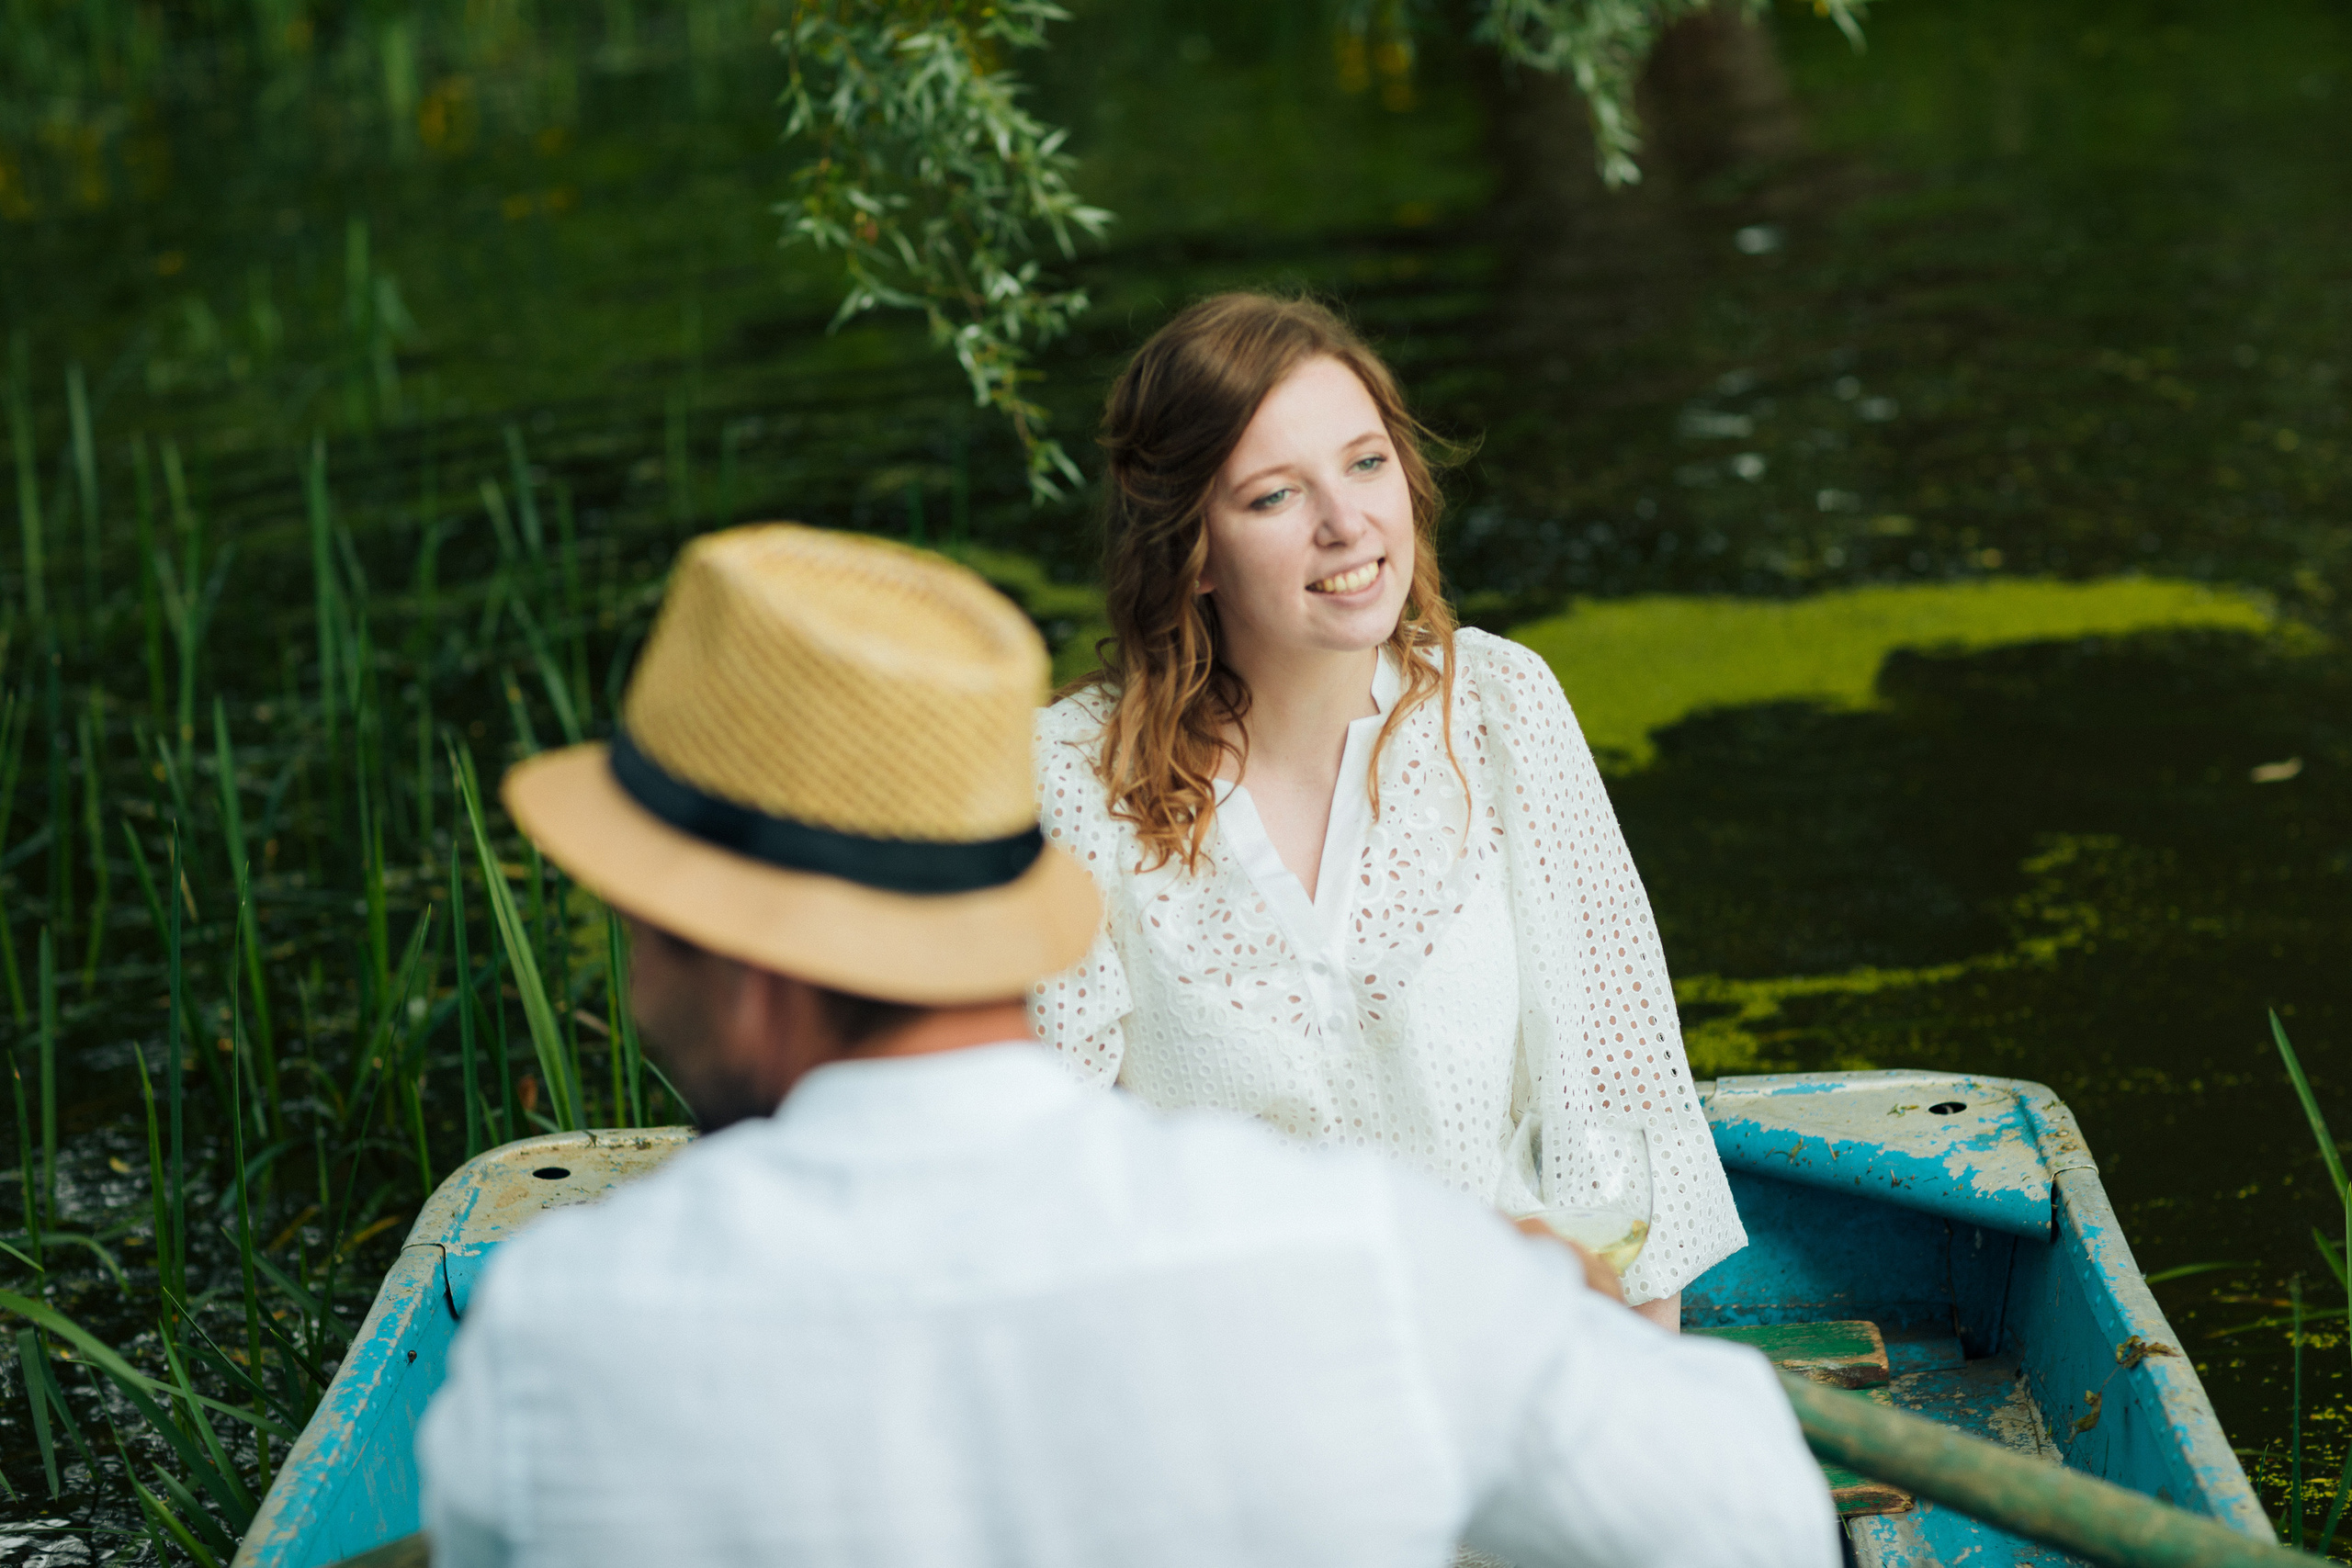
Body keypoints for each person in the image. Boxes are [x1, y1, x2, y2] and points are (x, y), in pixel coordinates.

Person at [416, 523, 1838, 1567]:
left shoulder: (562, 1339)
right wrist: (1540, 1314)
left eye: (645, 924)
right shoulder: (1372, 1262)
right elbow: (1757, 1528)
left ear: (734, 970)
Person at [1031, 293, 1739, 1326]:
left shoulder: (1500, 706)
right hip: (1223, 1388)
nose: (1347, 523)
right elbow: (1047, 1176)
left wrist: (1626, 1404)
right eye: (1274, 496)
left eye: (1366, 464)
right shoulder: (1067, 781)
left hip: (1503, 1365)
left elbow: (1616, 1109)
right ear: (1190, 547)